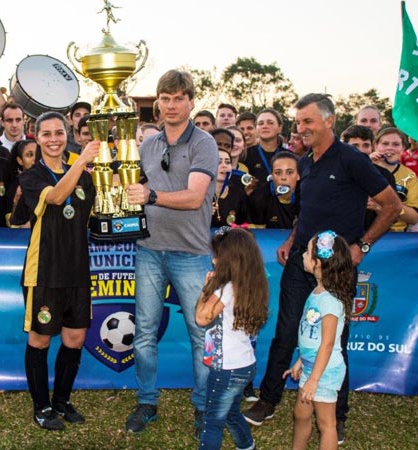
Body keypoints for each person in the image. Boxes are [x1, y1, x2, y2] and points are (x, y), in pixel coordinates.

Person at [244, 94, 400, 447]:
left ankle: (336, 415)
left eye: (308, 121)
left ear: (329, 121)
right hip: (302, 258)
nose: (302, 128)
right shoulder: (307, 163)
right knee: (285, 330)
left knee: (336, 341)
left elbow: (392, 207)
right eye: (298, 122)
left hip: (337, 269)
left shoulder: (353, 161)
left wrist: (363, 246)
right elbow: (308, 210)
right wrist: (292, 239)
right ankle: (268, 400)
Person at [123, 69, 218, 436]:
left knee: (201, 333)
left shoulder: (204, 143)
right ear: (158, 103)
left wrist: (150, 196)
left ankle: (203, 406)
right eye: (166, 98)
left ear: (191, 102)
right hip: (148, 249)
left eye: (179, 98)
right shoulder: (147, 145)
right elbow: (133, 188)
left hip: (191, 253)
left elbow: (195, 197)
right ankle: (147, 401)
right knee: (144, 331)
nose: (172, 105)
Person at [20, 111, 99, 430]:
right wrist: (82, 162)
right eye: (46, 134)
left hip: (78, 268)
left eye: (59, 133)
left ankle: (62, 401)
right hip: (45, 272)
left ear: (67, 134)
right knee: (40, 340)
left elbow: (93, 214)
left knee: (75, 338)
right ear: (36, 137)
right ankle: (41, 407)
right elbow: (55, 197)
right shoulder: (32, 176)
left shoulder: (83, 173)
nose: (53, 139)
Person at [195, 227, 268, 450]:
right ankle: (247, 446)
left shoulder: (225, 289)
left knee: (212, 422)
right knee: (232, 412)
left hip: (227, 368)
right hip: (245, 365)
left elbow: (201, 317)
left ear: (230, 259)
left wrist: (207, 288)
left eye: (217, 256)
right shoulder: (251, 285)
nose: (214, 260)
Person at [285, 231, 355, 450]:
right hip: (311, 367)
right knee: (301, 414)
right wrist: (300, 360)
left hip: (324, 372)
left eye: (307, 252)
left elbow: (327, 344)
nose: (303, 255)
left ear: (318, 263)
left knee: (326, 423)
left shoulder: (330, 301)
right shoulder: (316, 291)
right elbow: (310, 333)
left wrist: (314, 380)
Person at [369, 127, 418, 232]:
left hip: (395, 237)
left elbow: (414, 218)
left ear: (403, 148)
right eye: (385, 144)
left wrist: (387, 206)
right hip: (363, 233)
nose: (390, 148)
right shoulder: (364, 167)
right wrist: (367, 165)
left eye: (396, 144)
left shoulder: (410, 176)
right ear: (375, 146)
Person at [247, 152, 300, 229]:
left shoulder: (308, 196)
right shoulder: (258, 198)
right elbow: (259, 235)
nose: (283, 177)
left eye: (289, 172)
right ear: (272, 175)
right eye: (278, 173)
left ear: (298, 175)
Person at [244, 108, 287, 183]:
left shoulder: (289, 157)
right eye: (260, 123)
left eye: (270, 123)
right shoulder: (246, 156)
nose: (265, 126)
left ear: (279, 128)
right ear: (256, 128)